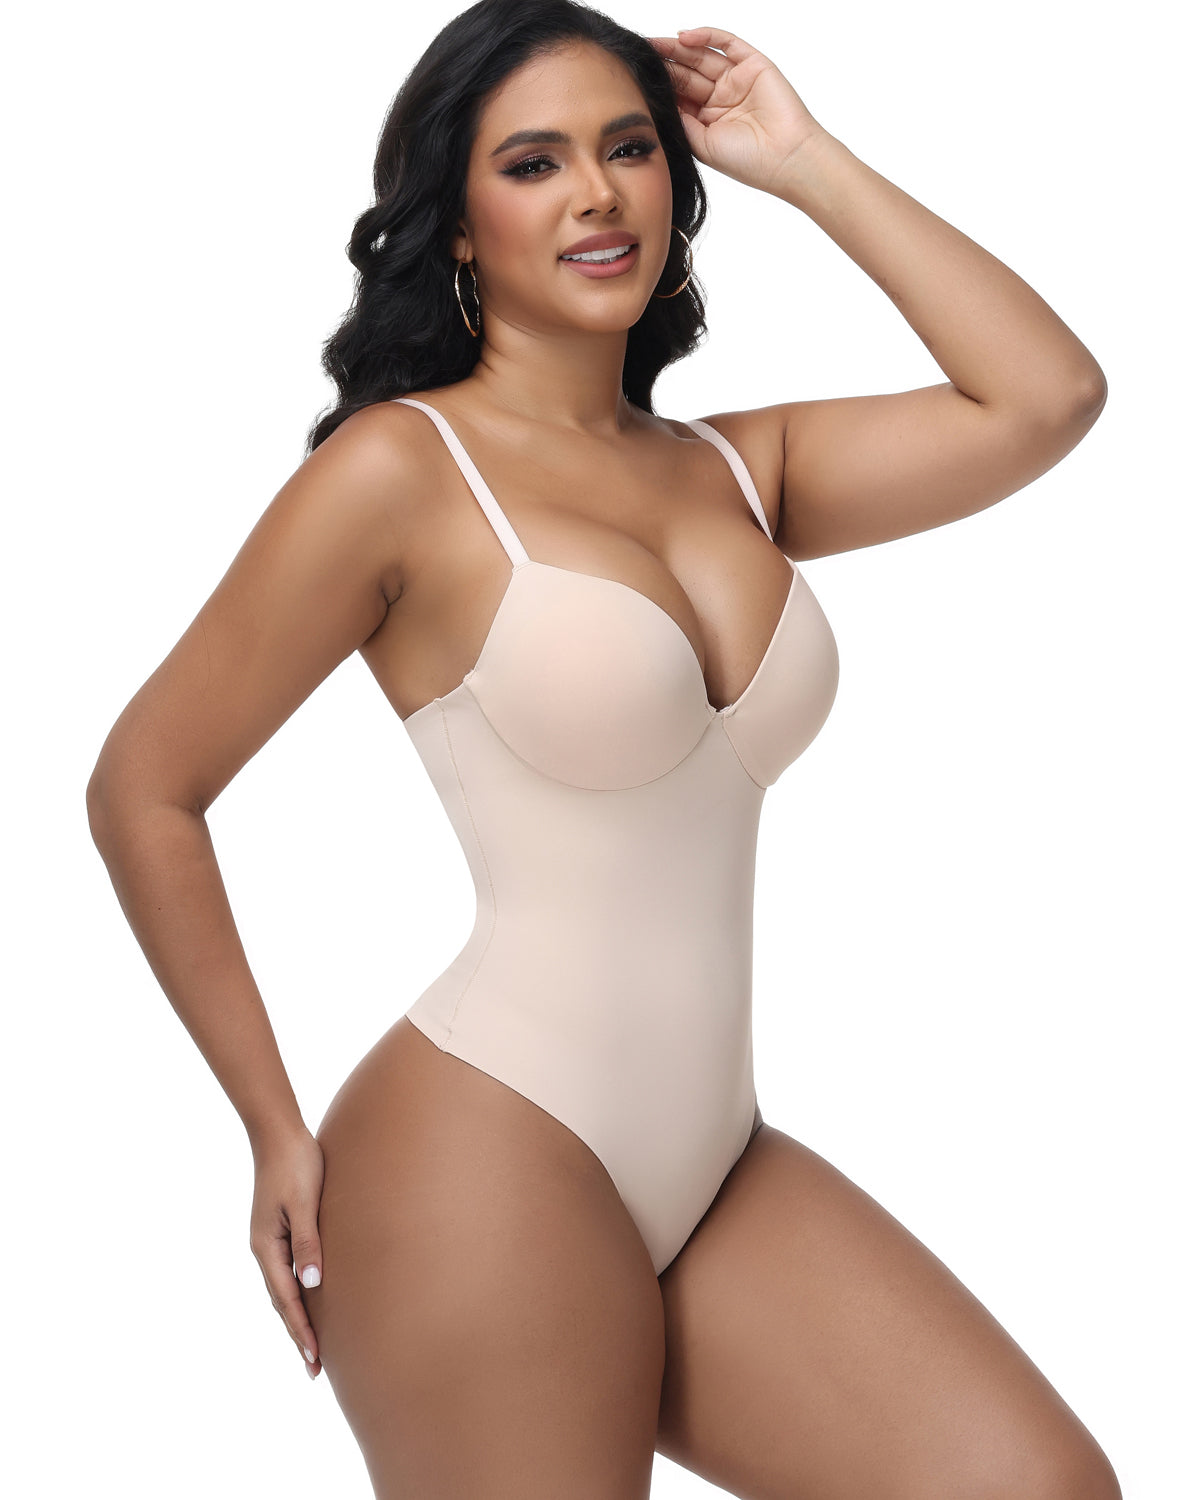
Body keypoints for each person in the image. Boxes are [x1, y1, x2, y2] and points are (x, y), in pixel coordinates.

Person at [86, 2, 1118, 1496]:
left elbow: (1047, 395)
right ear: (456, 226)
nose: (594, 194)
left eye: (627, 149)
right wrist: (271, 1124)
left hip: (717, 1161)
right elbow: (146, 785)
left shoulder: (737, 469)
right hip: (480, 1151)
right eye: (533, 163)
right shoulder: (400, 471)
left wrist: (805, 160)